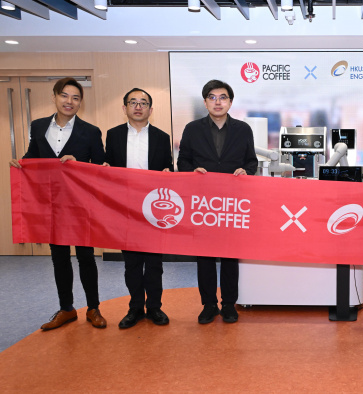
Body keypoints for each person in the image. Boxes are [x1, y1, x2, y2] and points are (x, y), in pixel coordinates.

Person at [9, 77, 106, 330]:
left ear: (80, 103)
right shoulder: (39, 126)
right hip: (51, 204)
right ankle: (67, 308)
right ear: (54, 97)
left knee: (86, 257)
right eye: (65, 96)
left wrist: (79, 165)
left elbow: (102, 168)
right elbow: (33, 156)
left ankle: (94, 308)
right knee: (59, 258)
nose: (69, 101)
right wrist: (21, 164)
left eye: (75, 97)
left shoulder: (91, 131)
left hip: (81, 205)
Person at [177, 79, 257, 324]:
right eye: (212, 97)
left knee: (231, 256)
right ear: (205, 102)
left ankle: (229, 304)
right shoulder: (192, 129)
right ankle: (209, 304)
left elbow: (251, 162)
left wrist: (245, 171)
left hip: (233, 204)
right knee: (205, 257)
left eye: (223, 97)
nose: (218, 102)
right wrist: (193, 171)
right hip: (204, 204)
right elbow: (183, 162)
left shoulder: (243, 129)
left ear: (230, 102)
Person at [103, 88, 174, 329]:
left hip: (154, 209)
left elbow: (168, 169)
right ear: (124, 108)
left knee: (154, 263)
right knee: (131, 262)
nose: (138, 106)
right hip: (125, 208)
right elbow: (108, 167)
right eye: (133, 102)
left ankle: (154, 307)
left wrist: (168, 173)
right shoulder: (112, 136)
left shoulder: (162, 137)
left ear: (150, 110)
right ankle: (135, 307)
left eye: (143, 103)